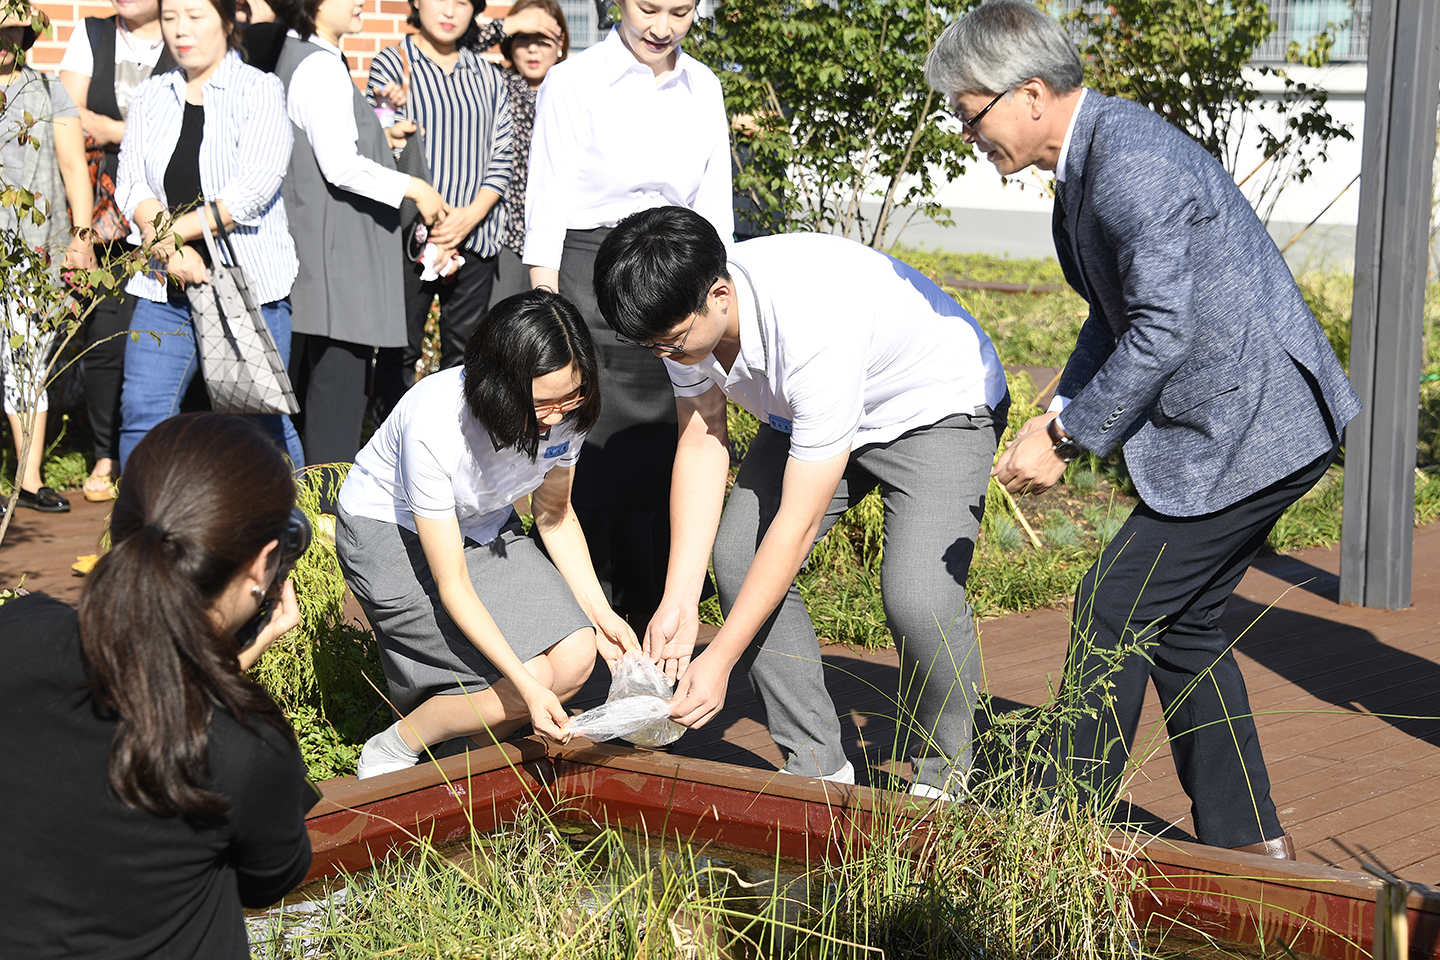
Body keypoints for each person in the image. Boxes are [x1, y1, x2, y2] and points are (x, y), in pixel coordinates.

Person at [925, 0, 1361, 854]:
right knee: (1185, 624)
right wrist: (1061, 410)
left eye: (970, 112)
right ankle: (1249, 844)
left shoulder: (1126, 165)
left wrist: (1065, 441)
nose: (967, 134)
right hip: (1241, 423)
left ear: (1033, 93)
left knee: (1111, 608)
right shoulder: (1089, 160)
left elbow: (1160, 328)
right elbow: (1115, 315)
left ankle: (1059, 832)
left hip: (1252, 428)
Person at [594, 207, 1010, 796]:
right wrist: (680, 600)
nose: (665, 356)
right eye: (651, 345)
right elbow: (703, 438)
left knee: (919, 596)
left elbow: (799, 519)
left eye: (673, 341)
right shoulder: (686, 323)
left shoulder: (812, 323)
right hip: (812, 416)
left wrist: (721, 659)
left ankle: (946, 778)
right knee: (737, 555)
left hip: (933, 408)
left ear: (719, 294)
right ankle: (816, 764)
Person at [0, 412, 317, 957]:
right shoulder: (246, 741)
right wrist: (229, 677)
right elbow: (270, 880)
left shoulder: (18, 632)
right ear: (264, 565)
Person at [336, 290, 638, 780]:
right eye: (542, 403)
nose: (557, 416)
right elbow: (453, 582)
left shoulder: (566, 414)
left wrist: (601, 614)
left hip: (484, 524)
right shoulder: (437, 423)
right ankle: (396, 743)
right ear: (500, 385)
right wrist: (527, 684)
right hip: (392, 531)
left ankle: (474, 735)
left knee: (580, 654)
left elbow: (555, 514)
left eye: (572, 397)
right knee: (530, 678)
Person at [523, 0, 733, 630]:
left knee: (665, 445)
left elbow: (714, 199)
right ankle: (576, 621)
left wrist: (714, 295)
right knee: (582, 445)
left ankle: (656, 620)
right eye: (648, 7)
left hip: (673, 276)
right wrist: (550, 311)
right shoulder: (574, 80)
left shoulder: (705, 86)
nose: (661, 26)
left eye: (680, 10)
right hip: (588, 276)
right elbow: (547, 195)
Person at [114, 0, 305, 470]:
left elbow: (253, 190)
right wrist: (167, 248)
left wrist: (169, 234)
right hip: (163, 284)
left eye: (195, 16)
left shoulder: (258, 89)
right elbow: (130, 184)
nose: (182, 30)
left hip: (245, 287)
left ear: (226, 19)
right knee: (142, 414)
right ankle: (140, 535)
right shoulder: (152, 95)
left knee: (258, 420)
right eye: (171, 17)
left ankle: (303, 531)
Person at [269, 0, 447, 468]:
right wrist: (416, 187)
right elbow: (341, 165)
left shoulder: (294, 56)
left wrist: (381, 135)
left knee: (316, 391)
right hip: (338, 260)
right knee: (335, 400)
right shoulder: (318, 66)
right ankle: (325, 522)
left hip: (314, 254)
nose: (361, 2)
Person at [366, 0, 514, 418]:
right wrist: (383, 112)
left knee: (464, 358)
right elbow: (374, 148)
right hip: (410, 237)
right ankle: (389, 453)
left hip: (474, 237)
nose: (449, 10)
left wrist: (470, 216)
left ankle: (450, 460)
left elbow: (503, 153)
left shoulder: (488, 75)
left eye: (462, 2)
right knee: (399, 351)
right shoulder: (392, 65)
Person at [58, 0, 175, 502]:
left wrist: (114, 131)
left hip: (171, 209)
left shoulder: (183, 36)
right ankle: (107, 452)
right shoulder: (93, 32)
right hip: (103, 211)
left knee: (161, 335)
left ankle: (164, 455)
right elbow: (66, 115)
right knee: (105, 336)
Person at [0, 15, 96, 514]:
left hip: (28, 252)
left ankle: (28, 481)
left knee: (23, 364)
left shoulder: (47, 88)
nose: (4, 39)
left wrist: (81, 239)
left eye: (12, 29)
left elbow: (73, 165)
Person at [485, 0, 568, 308]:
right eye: (524, 39)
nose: (533, 50)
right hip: (506, 236)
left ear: (560, 44)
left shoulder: (573, 87)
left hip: (565, 237)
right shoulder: (494, 83)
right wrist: (508, 25)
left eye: (543, 40)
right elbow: (458, 47)